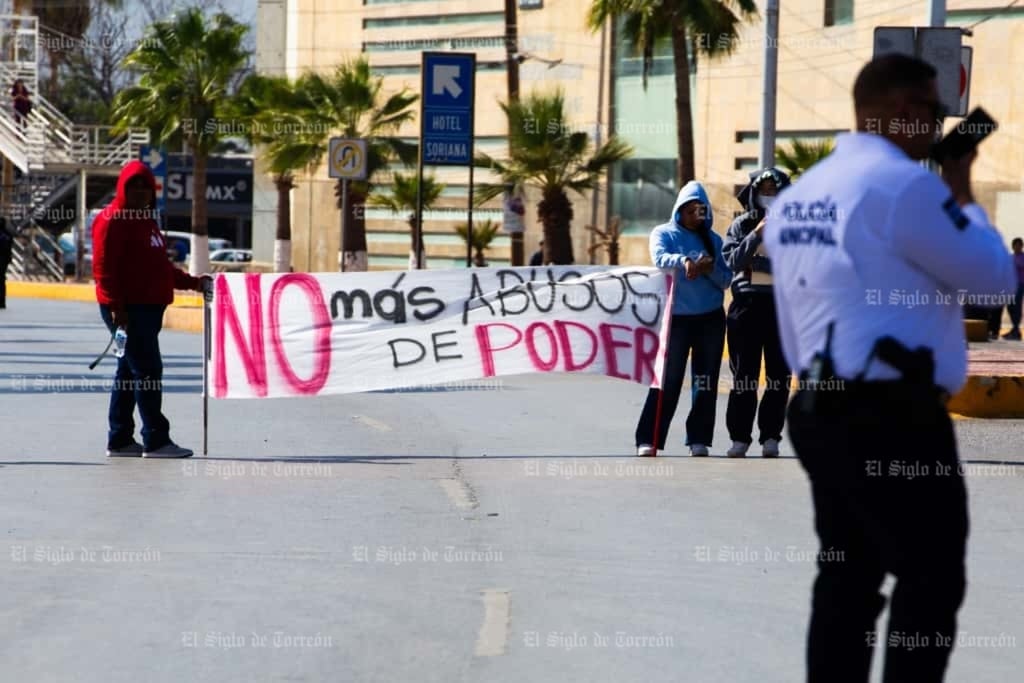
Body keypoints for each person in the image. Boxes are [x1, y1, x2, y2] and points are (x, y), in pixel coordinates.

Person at [764, 54, 1016, 683]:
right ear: (904, 111)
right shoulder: (907, 187)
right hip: (893, 416)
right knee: (931, 579)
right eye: (934, 110)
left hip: (820, 407)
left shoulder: (799, 196)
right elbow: (989, 280)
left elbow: (794, 322)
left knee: (846, 577)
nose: (941, 124)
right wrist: (962, 194)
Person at [93, 160, 210, 459]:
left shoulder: (146, 220)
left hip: (147, 311)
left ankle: (119, 439)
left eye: (146, 186)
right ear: (123, 187)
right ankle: (156, 440)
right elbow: (104, 269)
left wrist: (195, 283)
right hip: (128, 311)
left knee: (129, 372)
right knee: (147, 370)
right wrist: (117, 308)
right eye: (135, 185)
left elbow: (161, 268)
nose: (141, 191)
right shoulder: (112, 219)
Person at [635, 181, 731, 457]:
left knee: (705, 381)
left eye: (699, 210)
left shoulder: (713, 241)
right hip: (676, 320)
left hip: (710, 319)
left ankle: (698, 439)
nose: (694, 215)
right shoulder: (663, 233)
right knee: (668, 379)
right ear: (679, 210)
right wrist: (686, 262)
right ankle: (649, 438)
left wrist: (708, 269)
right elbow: (659, 258)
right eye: (689, 210)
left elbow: (726, 281)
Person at [721, 167, 792, 458]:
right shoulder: (740, 225)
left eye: (775, 191)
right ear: (754, 192)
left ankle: (770, 437)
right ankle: (739, 437)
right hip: (746, 310)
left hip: (783, 309)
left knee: (778, 376)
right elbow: (734, 262)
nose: (770, 196)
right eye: (764, 190)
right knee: (744, 377)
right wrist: (757, 234)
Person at [1002, 237, 1023, 339]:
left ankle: (1015, 330)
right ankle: (1015, 329)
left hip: (1020, 284)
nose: (1018, 247)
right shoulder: (1010, 257)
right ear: (1013, 246)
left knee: (1017, 306)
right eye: (1016, 245)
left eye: (1020, 245)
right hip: (1010, 285)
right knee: (1010, 306)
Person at [0, 216, 11, 309]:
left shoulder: (6, 235)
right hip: (4, 260)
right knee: (2, 281)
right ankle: (2, 302)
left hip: (3, 259)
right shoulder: (8, 234)